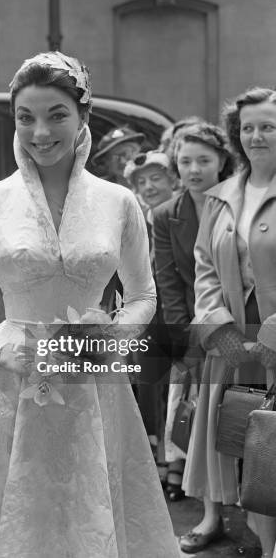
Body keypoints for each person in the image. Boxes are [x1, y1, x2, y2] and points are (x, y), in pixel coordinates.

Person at [0, 51, 179, 557]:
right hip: (9, 382)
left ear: (83, 115)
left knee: (92, 511)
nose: (40, 132)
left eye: (56, 115)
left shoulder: (118, 202)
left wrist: (109, 336)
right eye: (26, 118)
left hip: (93, 380)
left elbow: (143, 295)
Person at [180, 87, 276, 557]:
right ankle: (257, 540)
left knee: (274, 451)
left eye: (268, 126)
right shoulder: (220, 197)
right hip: (232, 347)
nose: (256, 136)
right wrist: (222, 330)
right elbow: (204, 267)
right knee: (240, 444)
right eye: (248, 128)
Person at [152, 122, 235, 504]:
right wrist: (184, 333)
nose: (194, 169)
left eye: (204, 160)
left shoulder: (238, 203)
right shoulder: (166, 214)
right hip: (189, 320)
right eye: (185, 161)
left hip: (236, 319)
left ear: (222, 161)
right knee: (187, 400)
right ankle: (183, 471)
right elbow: (167, 281)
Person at [123, 151, 177, 484]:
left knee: (180, 387)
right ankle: (154, 455)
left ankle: (177, 461)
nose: (149, 186)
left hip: (178, 310)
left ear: (173, 180)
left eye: (156, 178)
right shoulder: (135, 218)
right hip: (145, 313)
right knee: (147, 383)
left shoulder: (182, 214)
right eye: (141, 182)